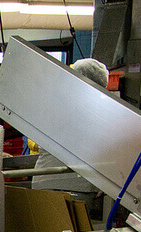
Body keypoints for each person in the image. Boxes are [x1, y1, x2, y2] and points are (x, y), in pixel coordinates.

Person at [32, 58, 109, 214]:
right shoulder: (97, 109)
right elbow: (104, 148)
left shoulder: (54, 100)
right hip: (77, 186)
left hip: (43, 180)